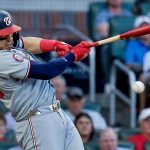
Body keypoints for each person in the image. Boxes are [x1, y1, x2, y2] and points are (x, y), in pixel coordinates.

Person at [0, 10, 93, 150]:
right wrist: (72, 56)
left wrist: (56, 44)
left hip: (56, 112)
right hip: (36, 121)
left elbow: (25, 42)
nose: (10, 40)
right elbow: (46, 71)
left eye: (11, 34)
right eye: (4, 37)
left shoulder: (7, 44)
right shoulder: (2, 60)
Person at [94, 0, 132, 82]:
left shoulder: (127, 14)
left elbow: (134, 30)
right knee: (106, 49)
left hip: (127, 44)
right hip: (109, 44)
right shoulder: (103, 14)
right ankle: (109, 82)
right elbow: (104, 32)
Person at [125, 15, 150, 110]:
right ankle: (142, 110)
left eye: (147, 27)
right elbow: (129, 64)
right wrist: (143, 67)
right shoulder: (132, 45)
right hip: (140, 73)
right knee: (143, 78)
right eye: (142, 27)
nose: (145, 30)